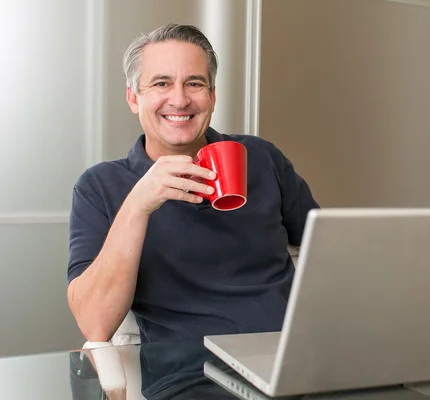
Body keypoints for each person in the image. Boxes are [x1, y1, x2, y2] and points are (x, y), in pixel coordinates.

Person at [67, 23, 319, 344]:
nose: (180, 99)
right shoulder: (100, 186)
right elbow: (94, 324)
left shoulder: (260, 157)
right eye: (161, 83)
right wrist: (139, 204)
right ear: (134, 98)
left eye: (195, 83)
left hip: (292, 353)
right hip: (190, 371)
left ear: (212, 96)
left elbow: (327, 251)